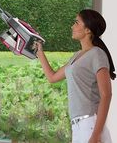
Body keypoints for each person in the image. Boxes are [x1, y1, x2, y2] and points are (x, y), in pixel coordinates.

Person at [33, 9, 115, 143]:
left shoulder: (97, 54)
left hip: (90, 125)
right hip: (78, 127)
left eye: (76, 23)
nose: (72, 26)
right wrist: (40, 52)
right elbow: (52, 77)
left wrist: (96, 134)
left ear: (88, 30)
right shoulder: (76, 56)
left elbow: (106, 95)